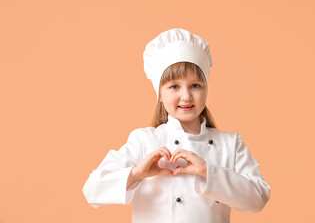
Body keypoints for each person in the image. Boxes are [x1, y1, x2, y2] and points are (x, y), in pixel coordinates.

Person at [82, 28, 270, 223]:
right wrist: (137, 173)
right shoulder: (143, 140)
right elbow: (92, 191)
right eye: (174, 87)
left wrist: (208, 172)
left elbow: (258, 198)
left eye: (195, 85)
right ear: (160, 95)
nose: (186, 96)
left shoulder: (230, 144)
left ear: (207, 89)